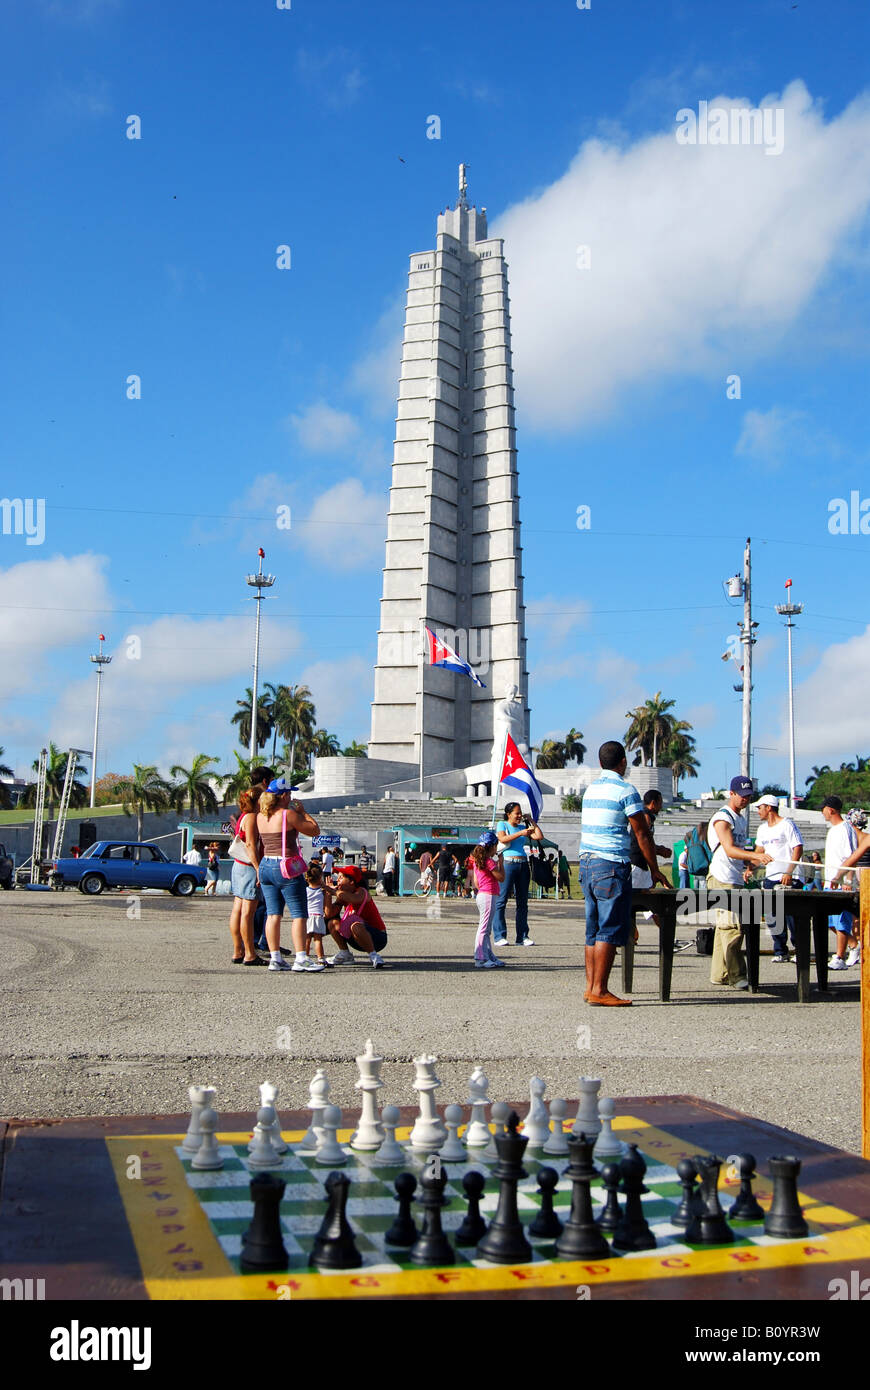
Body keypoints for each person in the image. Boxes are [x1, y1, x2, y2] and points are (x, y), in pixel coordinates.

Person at [578, 742, 671, 1006]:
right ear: (622, 763)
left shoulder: (590, 790)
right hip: (610, 864)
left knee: (592, 929)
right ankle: (600, 990)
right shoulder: (626, 790)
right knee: (609, 928)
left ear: (600, 764)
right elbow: (641, 833)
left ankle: (590, 987)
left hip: (587, 863)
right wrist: (655, 869)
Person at [706, 777, 772, 990]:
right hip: (721, 877)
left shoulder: (741, 819)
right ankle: (737, 975)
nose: (745, 799)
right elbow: (729, 849)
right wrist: (755, 856)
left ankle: (719, 974)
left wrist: (752, 863)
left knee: (723, 928)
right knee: (732, 927)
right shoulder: (723, 818)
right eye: (741, 795)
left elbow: (740, 852)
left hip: (734, 877)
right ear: (731, 793)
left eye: (748, 796)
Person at [255, 777, 323, 972]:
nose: (292, 796)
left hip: (266, 864)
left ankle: (275, 958)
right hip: (285, 866)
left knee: (273, 914)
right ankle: (301, 957)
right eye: (289, 793)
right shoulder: (287, 815)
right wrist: (303, 812)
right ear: (283, 796)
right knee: (299, 914)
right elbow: (314, 831)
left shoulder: (261, 816)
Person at [752, 794, 803, 962]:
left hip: (789, 877)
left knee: (793, 916)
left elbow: (797, 848)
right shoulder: (762, 829)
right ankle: (780, 950)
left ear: (769, 807)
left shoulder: (787, 824)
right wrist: (750, 867)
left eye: (760, 807)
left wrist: (789, 872)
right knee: (773, 916)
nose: (757, 811)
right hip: (770, 877)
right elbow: (759, 852)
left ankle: (800, 949)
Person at [492, 803, 544, 947]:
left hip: (522, 864)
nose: (519, 816)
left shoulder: (523, 827)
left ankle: (522, 936)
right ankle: (499, 936)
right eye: (517, 813)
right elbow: (502, 839)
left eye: (521, 813)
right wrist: (521, 833)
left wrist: (531, 820)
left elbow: (539, 836)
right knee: (501, 900)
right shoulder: (502, 824)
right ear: (509, 814)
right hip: (508, 863)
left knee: (522, 902)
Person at [229, 787, 267, 966]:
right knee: (248, 913)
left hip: (239, 865)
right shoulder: (252, 817)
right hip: (249, 867)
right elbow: (251, 844)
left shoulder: (243, 816)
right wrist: (259, 868)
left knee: (238, 909)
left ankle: (238, 950)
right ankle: (250, 953)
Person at [324, 864, 388, 968]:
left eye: (341, 877)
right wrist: (327, 893)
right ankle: (345, 953)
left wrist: (332, 890)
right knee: (333, 923)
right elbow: (329, 913)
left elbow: (353, 898)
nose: (338, 880)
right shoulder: (342, 895)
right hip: (357, 938)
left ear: (351, 881)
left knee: (355, 925)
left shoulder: (362, 892)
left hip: (377, 938)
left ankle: (374, 956)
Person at [821, 796, 859, 970]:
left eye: (823, 809)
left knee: (841, 921)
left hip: (842, 882)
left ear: (831, 809)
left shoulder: (846, 829)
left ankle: (840, 957)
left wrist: (848, 879)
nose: (822, 812)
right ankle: (854, 945)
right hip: (830, 882)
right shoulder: (832, 831)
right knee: (830, 923)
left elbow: (852, 856)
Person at [469, 831, 506, 968]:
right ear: (491, 847)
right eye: (495, 846)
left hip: (482, 894)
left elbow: (476, 883)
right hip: (489, 895)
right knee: (484, 928)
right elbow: (501, 877)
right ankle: (480, 958)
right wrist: (501, 863)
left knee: (486, 928)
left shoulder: (478, 862)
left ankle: (488, 955)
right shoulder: (489, 861)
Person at [305, 862, 330, 966]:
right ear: (320, 878)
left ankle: (304, 957)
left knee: (306, 939)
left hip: (307, 916)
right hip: (318, 916)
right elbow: (325, 904)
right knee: (317, 939)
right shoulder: (322, 891)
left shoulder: (305, 890)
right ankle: (321, 959)